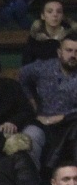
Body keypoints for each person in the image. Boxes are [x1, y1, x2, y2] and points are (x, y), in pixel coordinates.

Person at [17, 34, 77, 166]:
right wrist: (31, 99)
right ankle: (31, 177)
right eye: (69, 50)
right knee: (29, 137)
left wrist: (64, 117)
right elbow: (22, 76)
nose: (73, 55)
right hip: (43, 122)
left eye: (76, 52)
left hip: (72, 124)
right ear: (59, 52)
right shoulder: (43, 67)